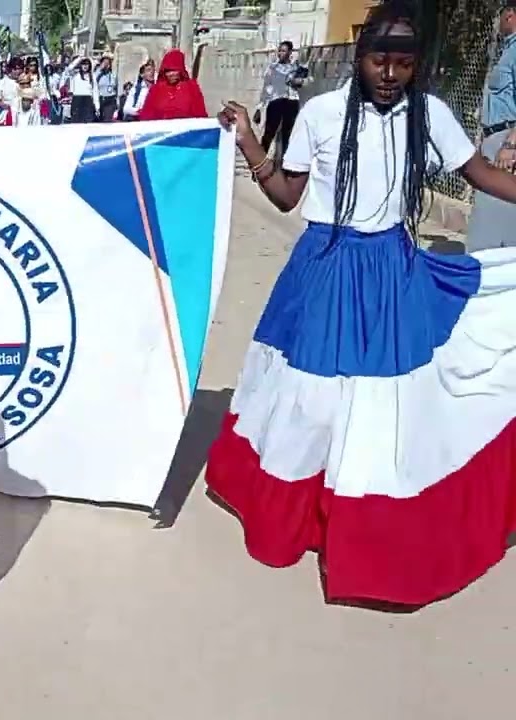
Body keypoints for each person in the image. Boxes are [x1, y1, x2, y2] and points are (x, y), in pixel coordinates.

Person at [211, 1, 516, 607]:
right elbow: (285, 195)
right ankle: (300, 515)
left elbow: (480, 172)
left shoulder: (429, 113)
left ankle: (359, 523)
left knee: (384, 403)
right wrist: (249, 142)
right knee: (314, 400)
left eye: (403, 63)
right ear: (360, 55)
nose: (390, 73)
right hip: (323, 270)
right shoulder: (321, 113)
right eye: (380, 58)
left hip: (394, 271)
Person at [468, 0, 516, 251]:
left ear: (510, 15)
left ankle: (481, 278)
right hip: (496, 139)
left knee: (489, 219)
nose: (497, 24)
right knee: (500, 220)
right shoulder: (508, 50)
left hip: (506, 142)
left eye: (499, 18)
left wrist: (510, 145)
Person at [255, 41, 307, 158]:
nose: (280, 53)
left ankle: (284, 163)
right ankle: (261, 161)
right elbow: (266, 88)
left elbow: (304, 84)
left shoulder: (296, 68)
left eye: (284, 51)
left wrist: (299, 81)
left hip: (291, 103)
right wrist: (259, 107)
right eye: (280, 50)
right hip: (276, 102)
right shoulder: (272, 68)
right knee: (269, 133)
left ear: (290, 53)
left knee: (287, 134)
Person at [137, 48, 206, 121]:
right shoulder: (156, 90)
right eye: (168, 71)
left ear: (181, 70)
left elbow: (200, 117)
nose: (171, 74)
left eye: (174, 70)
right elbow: (147, 116)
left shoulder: (192, 88)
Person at [62, 56, 100, 123]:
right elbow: (69, 69)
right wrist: (79, 59)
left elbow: (95, 91)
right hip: (77, 100)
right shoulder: (75, 74)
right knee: (76, 123)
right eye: (83, 64)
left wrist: (97, 106)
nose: (85, 66)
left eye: (87, 64)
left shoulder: (92, 76)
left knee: (87, 123)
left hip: (88, 101)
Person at [95, 53, 120, 121]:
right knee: (99, 119)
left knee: (107, 120)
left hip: (110, 99)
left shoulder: (113, 74)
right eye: (104, 63)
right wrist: (100, 69)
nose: (106, 65)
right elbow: (93, 82)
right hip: (100, 98)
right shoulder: (97, 73)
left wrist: (117, 101)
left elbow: (116, 88)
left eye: (108, 63)